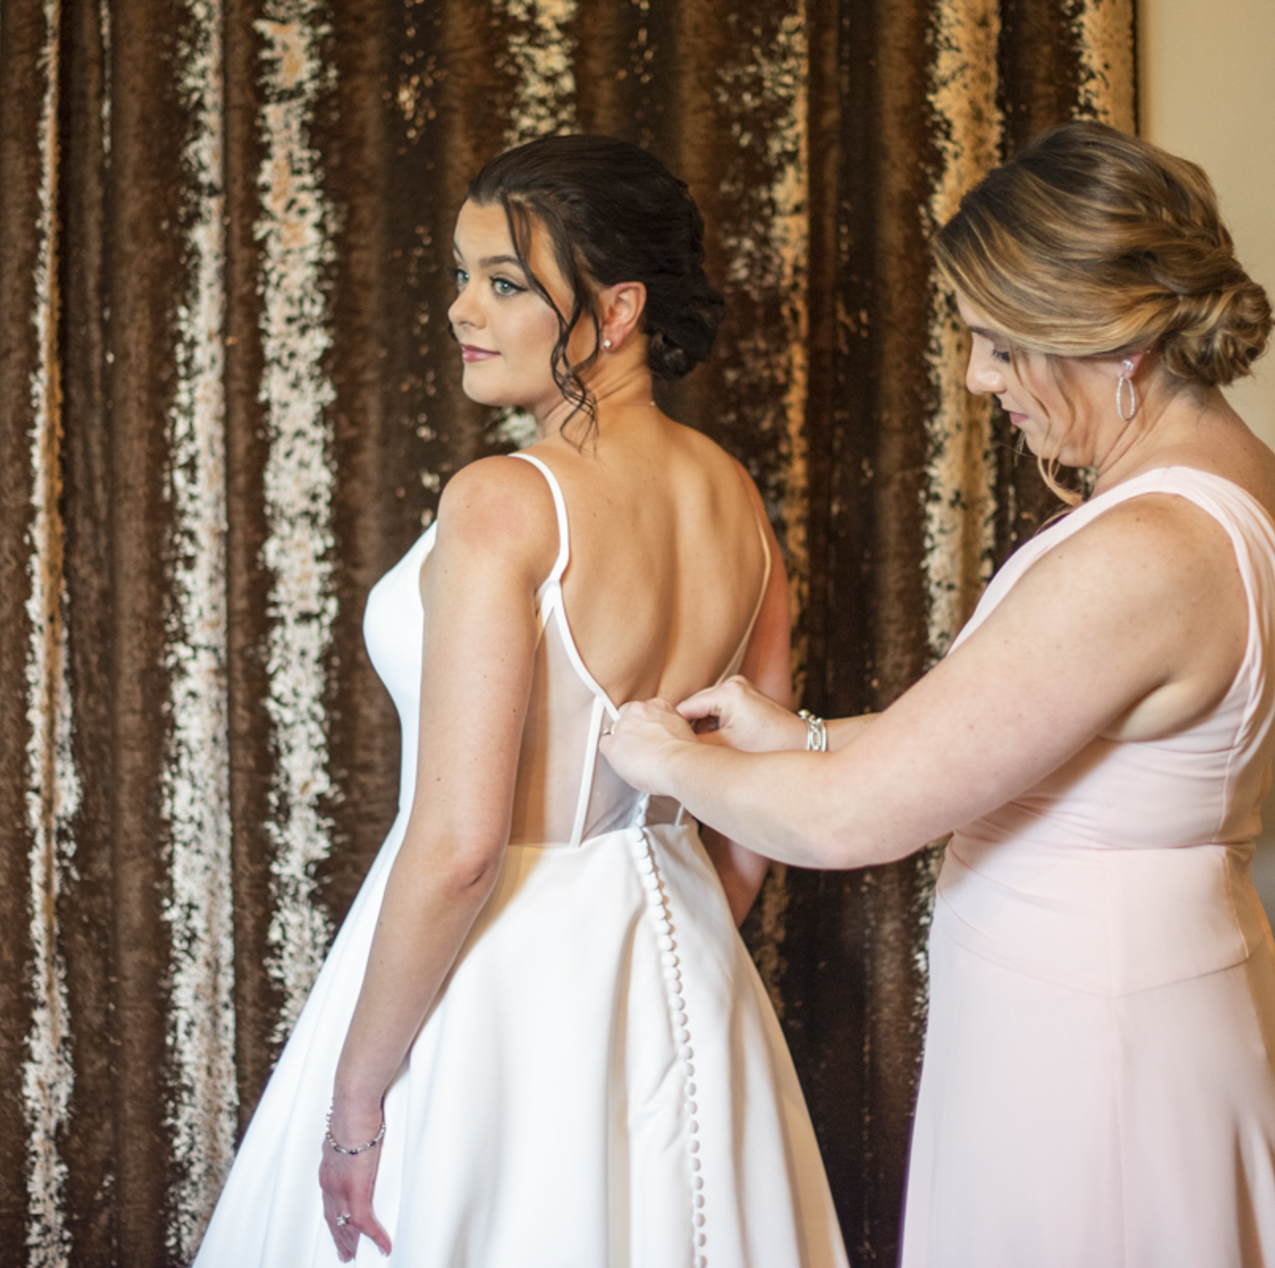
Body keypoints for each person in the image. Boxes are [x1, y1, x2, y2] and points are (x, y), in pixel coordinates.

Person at [603, 121, 1275, 1267]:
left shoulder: (1146, 549)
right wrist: (792, 729)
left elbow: (854, 820)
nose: (977, 376)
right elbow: (1027, 740)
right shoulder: (1237, 481)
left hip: (1100, 1054)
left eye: (997, 342)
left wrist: (661, 754)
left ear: (1103, 335)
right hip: (1143, 996)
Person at [194, 135, 846, 1268]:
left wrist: (355, 1101)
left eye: (505, 283)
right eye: (459, 274)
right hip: (683, 959)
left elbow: (457, 848)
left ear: (620, 305)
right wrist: (662, 951)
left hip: (497, 977)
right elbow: (760, 797)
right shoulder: (735, 497)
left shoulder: (504, 499)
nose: (463, 310)